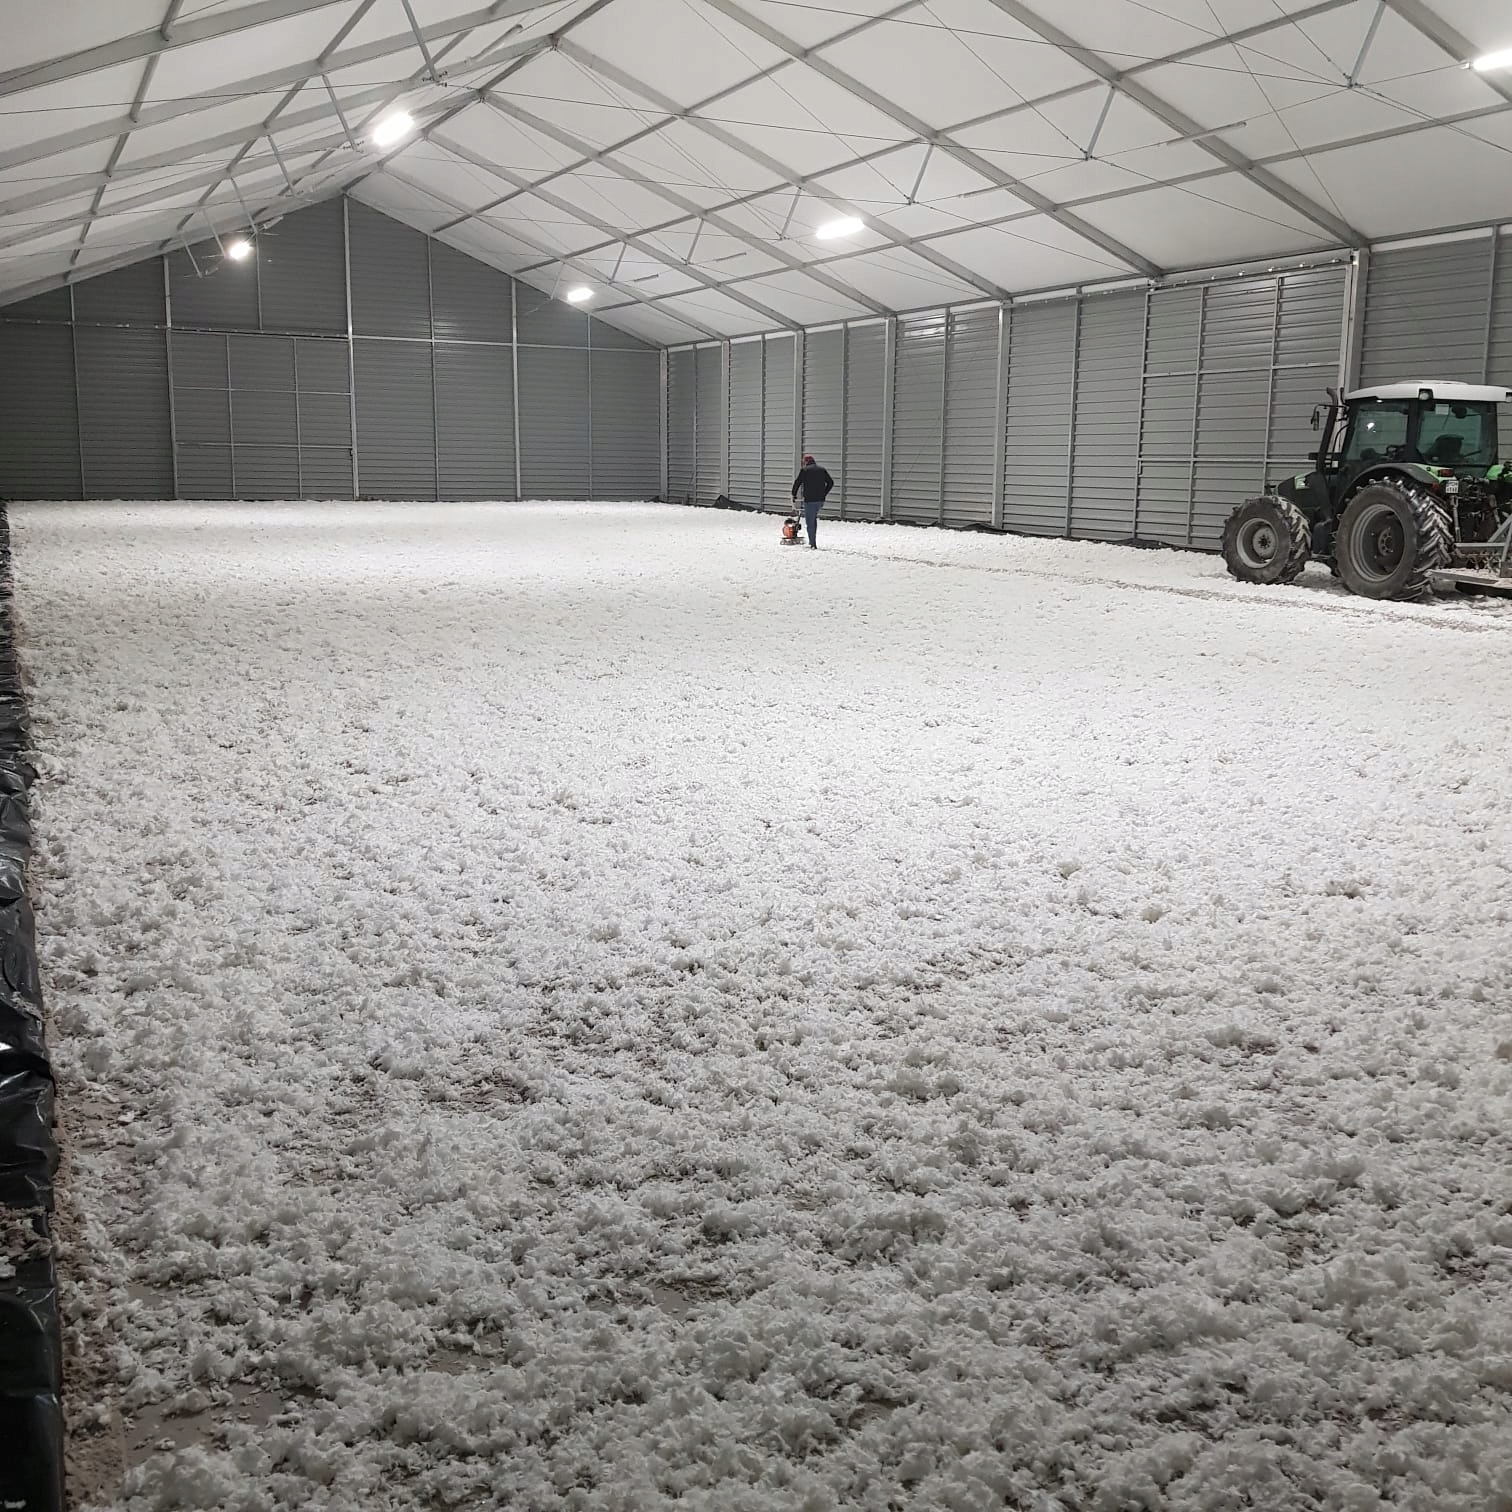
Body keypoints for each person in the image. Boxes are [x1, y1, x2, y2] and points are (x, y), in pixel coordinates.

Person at [791, 454, 835, 549]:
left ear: (806, 462)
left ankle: (812, 543)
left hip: (810, 500)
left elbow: (797, 482)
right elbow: (831, 482)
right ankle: (812, 540)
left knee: (810, 522)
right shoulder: (822, 469)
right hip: (820, 500)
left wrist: (793, 494)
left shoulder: (805, 470)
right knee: (813, 518)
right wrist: (824, 493)